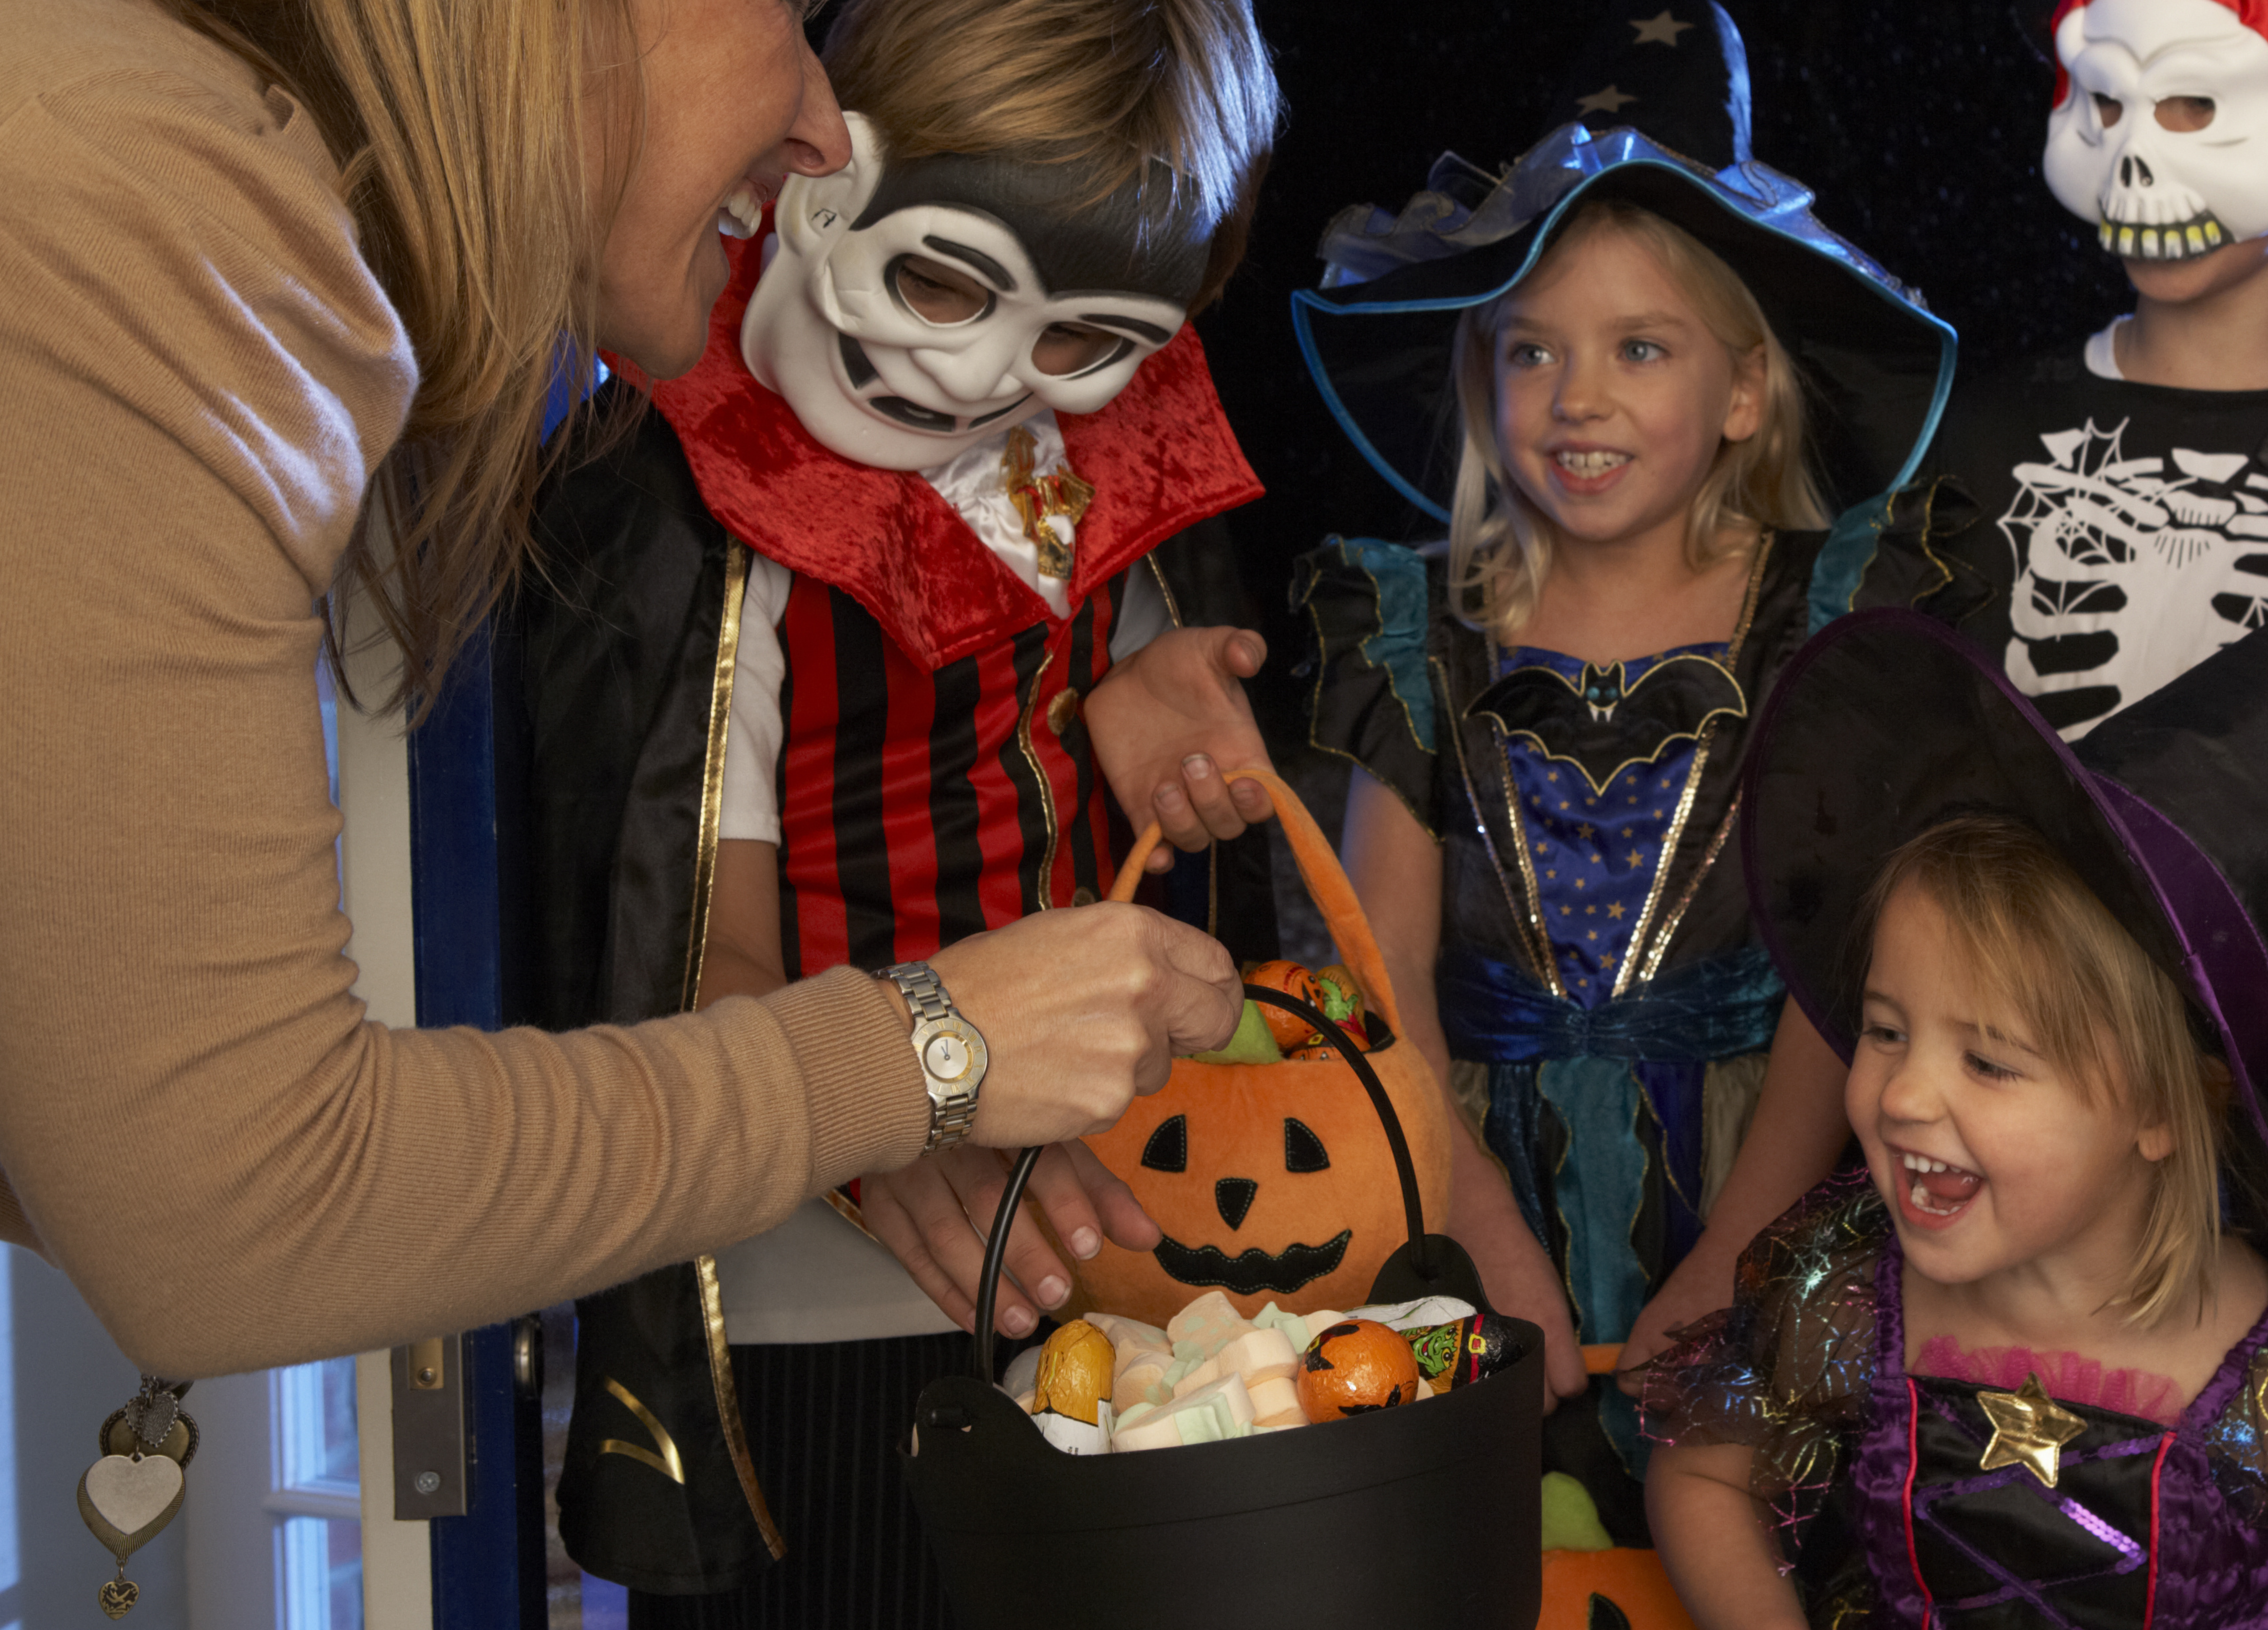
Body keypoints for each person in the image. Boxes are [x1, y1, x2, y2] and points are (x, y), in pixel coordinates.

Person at [0, 0, 1239, 1382]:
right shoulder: (146, 218)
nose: (822, 126)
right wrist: (928, 1056)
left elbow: (117, 1142)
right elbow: (239, 1222)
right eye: (781, 8)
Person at [511, 0, 1278, 1613]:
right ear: (810, 172)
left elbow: (1148, 838)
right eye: (941, 280)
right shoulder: (690, 520)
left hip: (1097, 1265)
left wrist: (1146, 735)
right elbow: (679, 952)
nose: (989, 373)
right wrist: (894, 1121)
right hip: (799, 1328)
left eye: (1077, 341)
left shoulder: (1089, 482)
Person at [1628, 0, 2268, 1381]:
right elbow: (1863, 879)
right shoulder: (1988, 441)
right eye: (2099, 100)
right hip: (2007, 1170)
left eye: (2196, 108)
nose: (2143, 158)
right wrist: (1742, 1237)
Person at [1642, 393, 2268, 1626]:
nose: (1900, 1093)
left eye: (1989, 1062)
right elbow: (1702, 1479)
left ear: (2164, 1104)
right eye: (1886, 1029)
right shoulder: (1844, 1295)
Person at [1289, 0, 1958, 1546]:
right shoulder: (1412, 634)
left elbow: (1837, 965)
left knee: (1745, 1543)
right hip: (1461, 1178)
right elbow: (1371, 981)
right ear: (1480, 377)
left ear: (1741, 391)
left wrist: (1742, 1245)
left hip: (1763, 1173)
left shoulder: (1830, 619)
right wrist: (1477, 1235)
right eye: (1532, 352)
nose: (1575, 399)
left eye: (1638, 350)